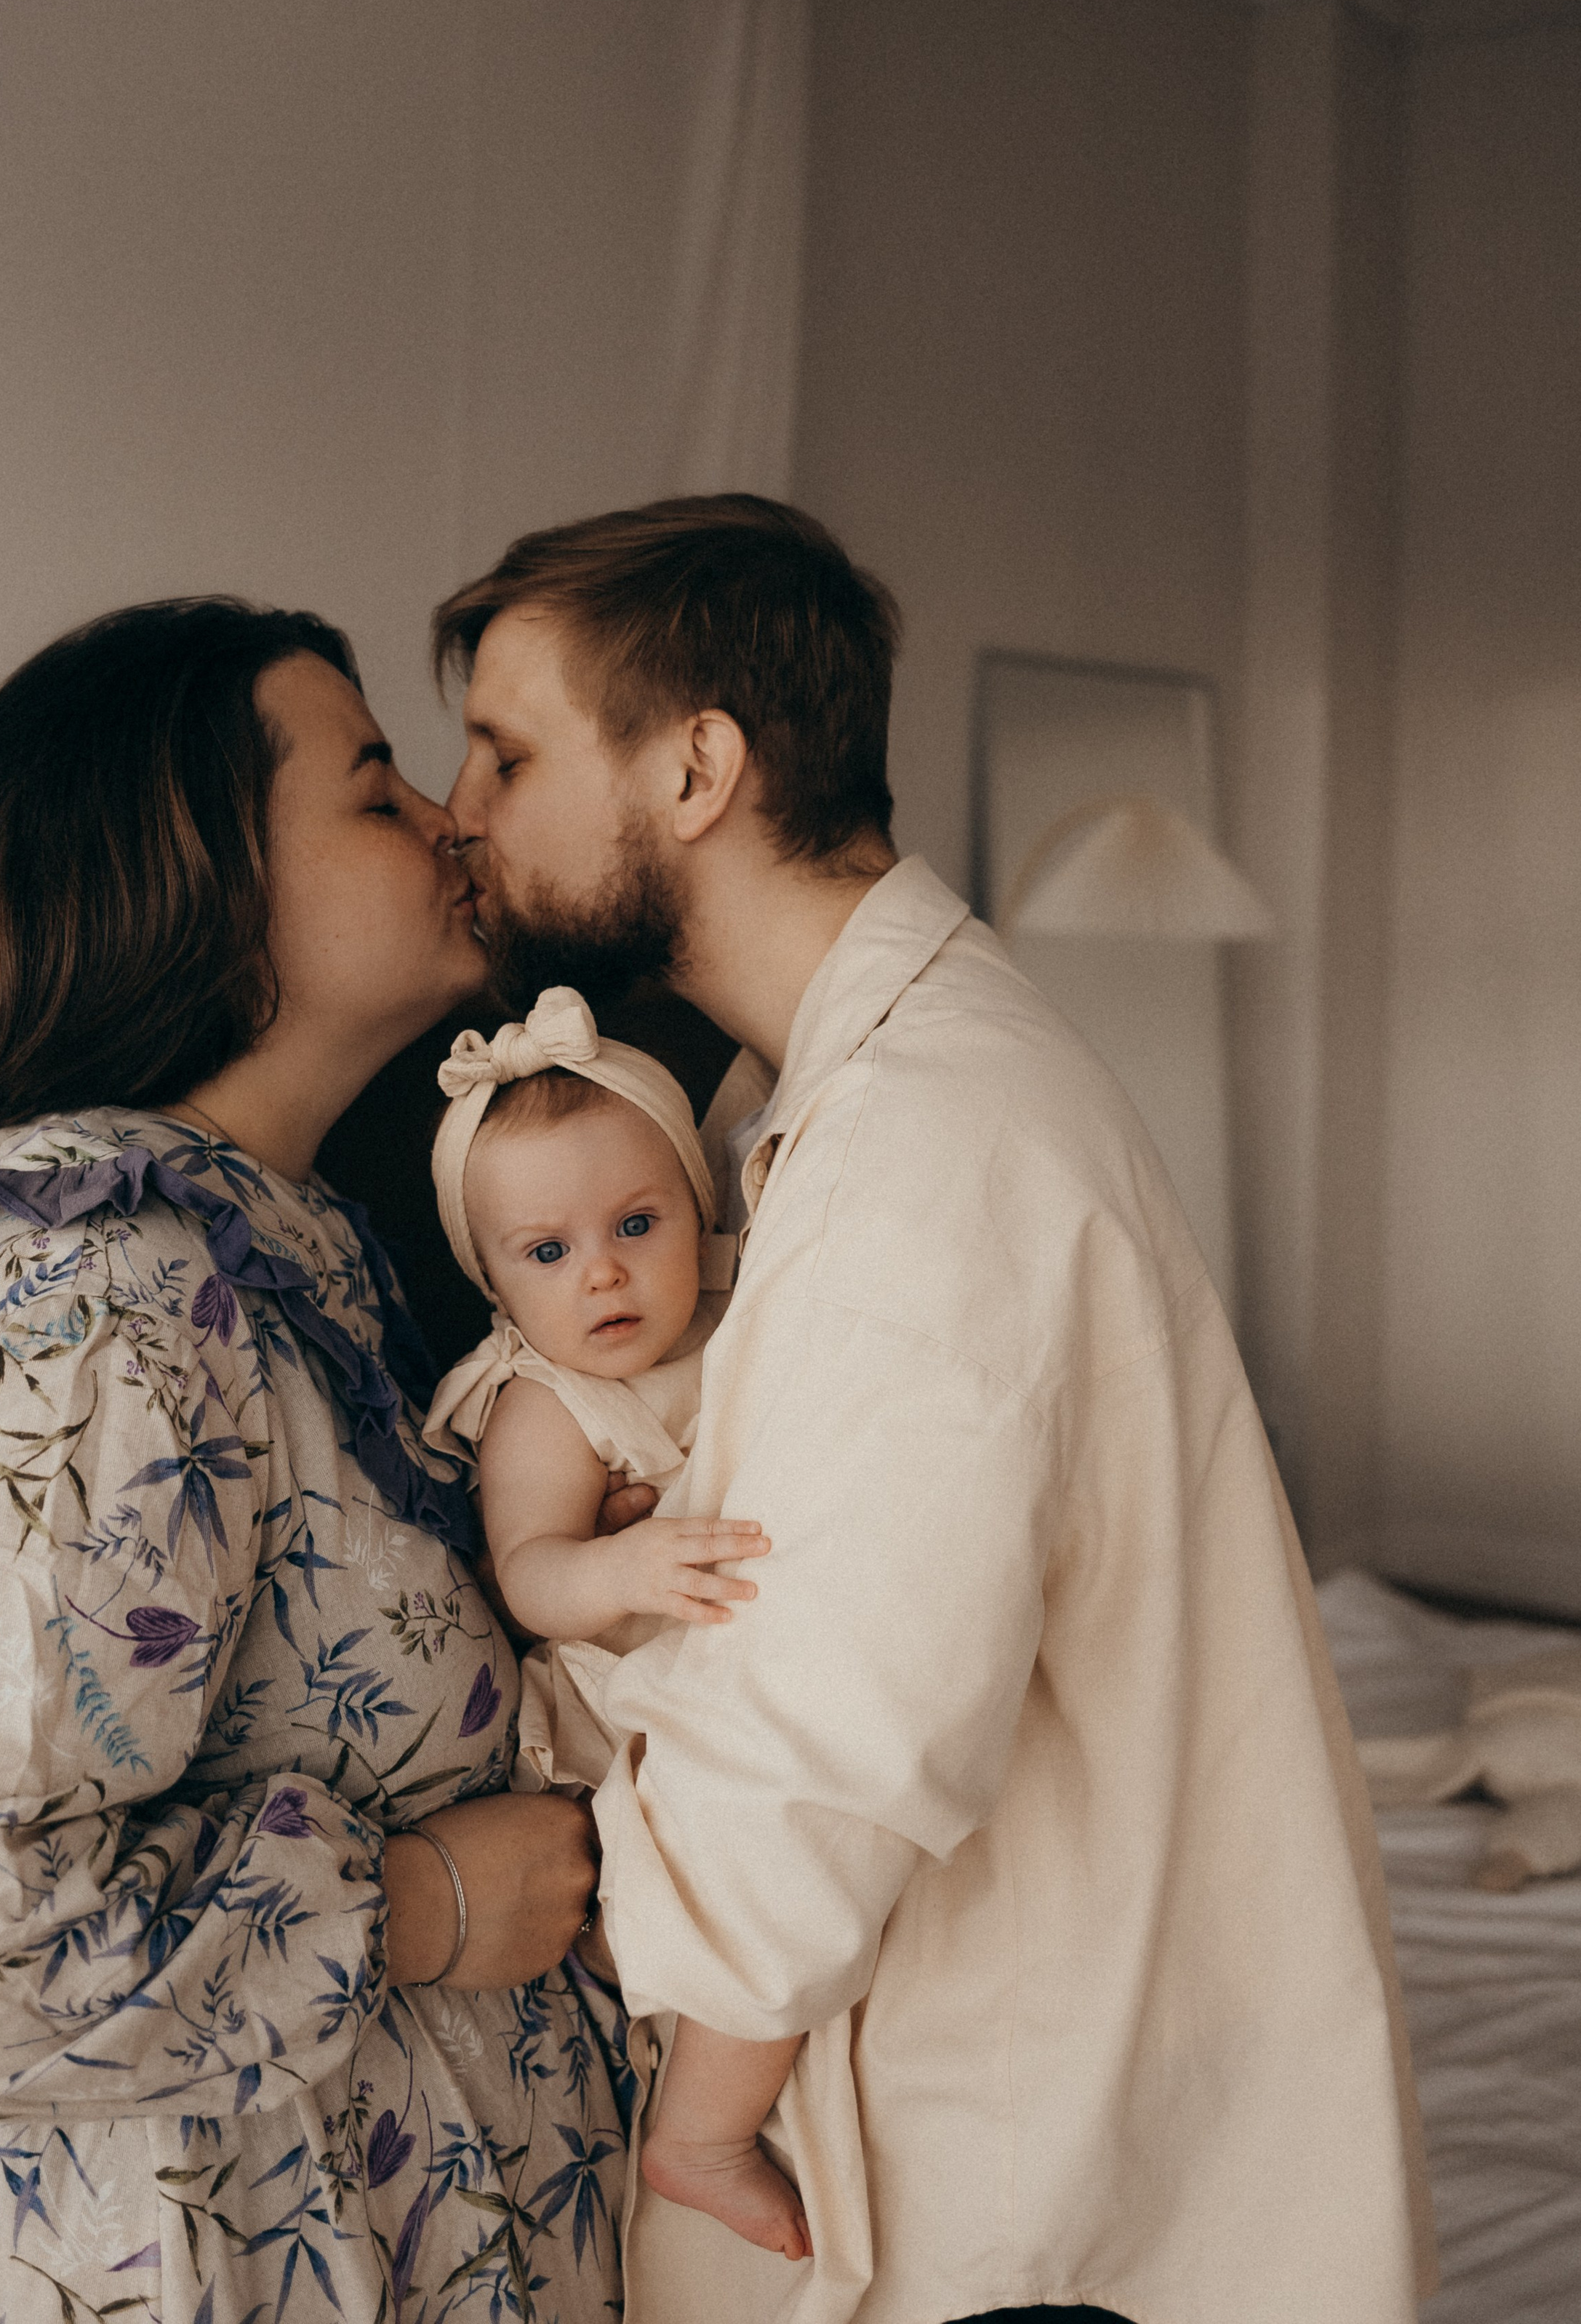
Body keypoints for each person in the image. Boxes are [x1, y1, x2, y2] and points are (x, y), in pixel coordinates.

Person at [433, 496, 1438, 2324]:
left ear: (694, 770)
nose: (460, 809)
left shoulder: (927, 1143)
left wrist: (641, 2014)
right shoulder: (816, 1100)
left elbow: (832, 1734)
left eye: (506, 754)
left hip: (1015, 2191)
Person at [0, 598, 628, 2324]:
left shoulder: (254, 1260)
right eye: (374, 785)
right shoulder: (89, 1304)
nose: (450, 818)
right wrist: (421, 1904)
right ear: (192, 879)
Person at [420, 988, 811, 2264]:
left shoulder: (740, 1309)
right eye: (546, 1253)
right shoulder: (546, 1403)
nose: (601, 1271)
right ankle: (699, 2133)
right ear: (492, 1282)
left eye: (638, 1224)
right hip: (629, 1705)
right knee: (756, 1877)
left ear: (699, 1210)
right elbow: (532, 1575)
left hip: (739, 1657)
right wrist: (624, 1562)